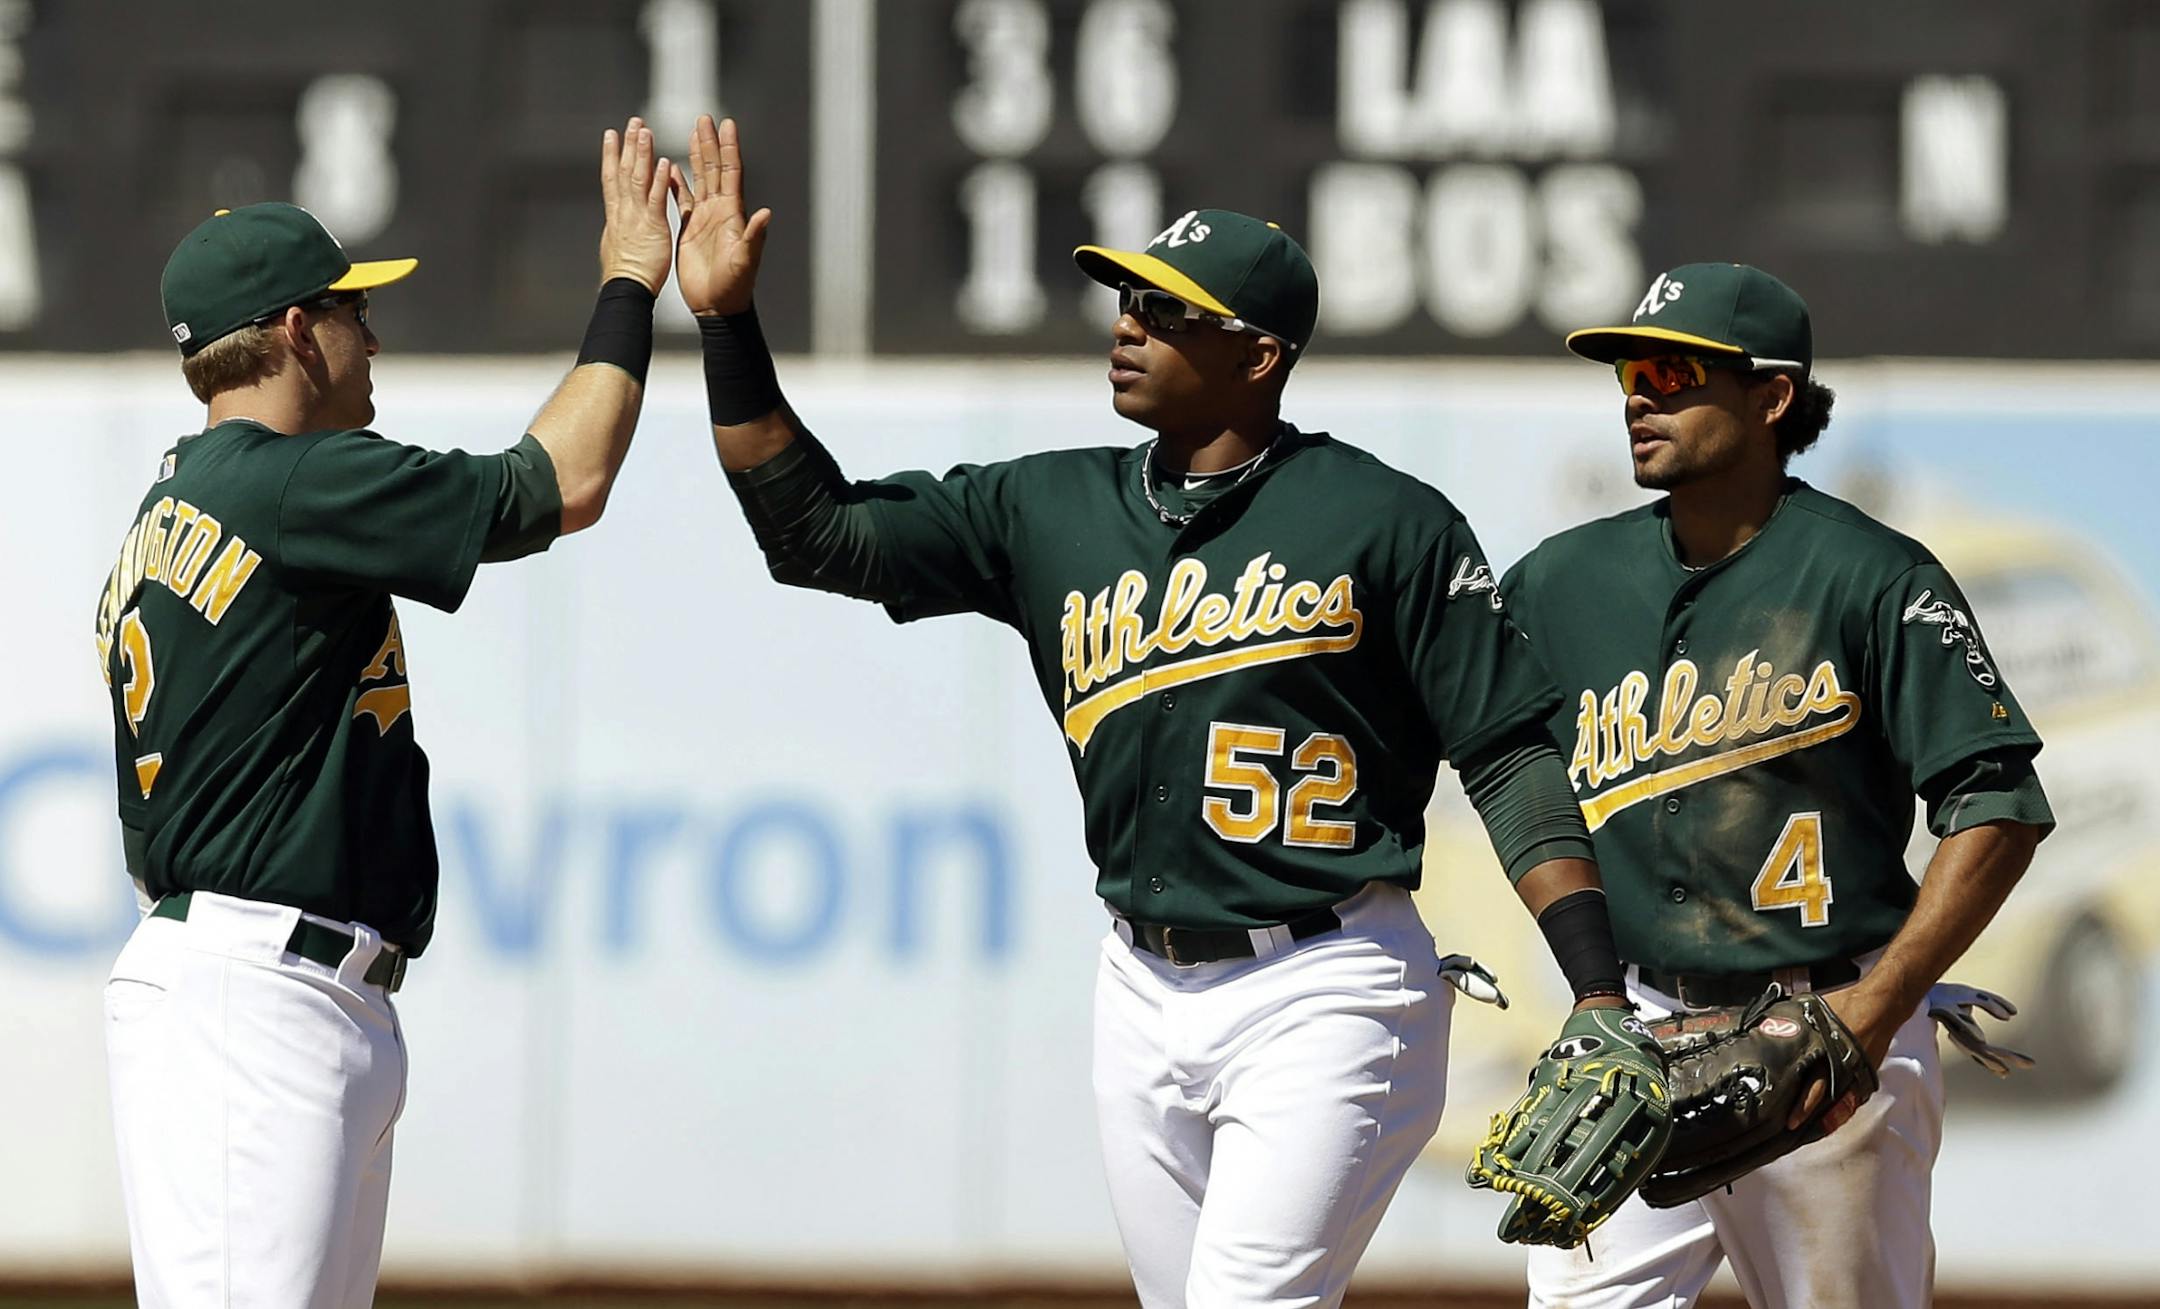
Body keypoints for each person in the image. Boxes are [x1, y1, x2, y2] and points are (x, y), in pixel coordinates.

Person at [669, 114, 1655, 1306]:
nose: (1130, 325)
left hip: (1330, 980)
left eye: (1169, 311)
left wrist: (1597, 990)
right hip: (1139, 984)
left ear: (1259, 356)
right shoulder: (1050, 507)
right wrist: (726, 322)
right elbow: (814, 534)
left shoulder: (1386, 520)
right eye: (1129, 301)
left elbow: (1508, 758)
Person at [93, 119, 676, 1308]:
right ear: (299, 332)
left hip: (269, 983)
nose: (375, 334)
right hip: (251, 993)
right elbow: (563, 483)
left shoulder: (180, 492)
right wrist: (627, 282)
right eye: (355, 311)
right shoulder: (291, 481)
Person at [1503, 262, 2055, 1308]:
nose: (1639, 395)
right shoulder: (1562, 580)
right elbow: (1493, 754)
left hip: (1824, 1035)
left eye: (1673, 371)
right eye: (1628, 372)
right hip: (1638, 1037)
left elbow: (1999, 805)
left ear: (1772, 396)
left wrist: (1877, 1010)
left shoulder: (1873, 575)